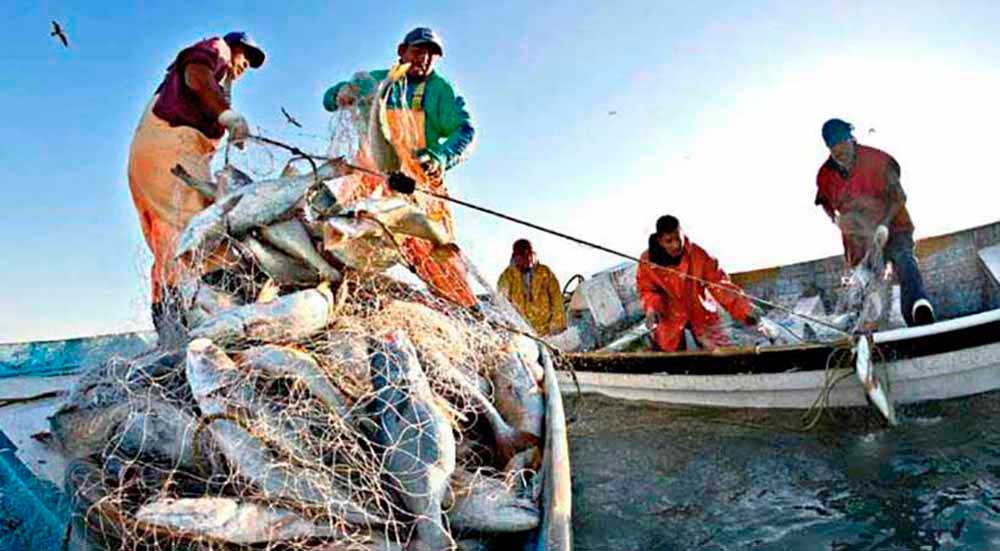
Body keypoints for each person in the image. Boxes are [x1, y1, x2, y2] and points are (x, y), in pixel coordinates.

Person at [322, 27, 478, 307]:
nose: (425, 60)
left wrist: (440, 158)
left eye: (432, 55)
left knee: (438, 252)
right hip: (370, 178)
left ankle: (462, 306)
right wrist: (339, 94)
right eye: (418, 51)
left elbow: (465, 131)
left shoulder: (440, 90)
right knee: (341, 233)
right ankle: (335, 292)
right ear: (401, 51)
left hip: (419, 185)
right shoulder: (377, 81)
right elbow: (328, 99)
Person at [127, 31, 265, 331]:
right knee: (203, 237)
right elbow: (195, 73)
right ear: (235, 47)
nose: (245, 66)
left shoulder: (220, 82)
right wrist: (226, 114)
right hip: (173, 149)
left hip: (148, 157)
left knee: (169, 241)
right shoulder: (218, 49)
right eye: (246, 56)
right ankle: (217, 324)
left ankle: (169, 324)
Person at [814, 118, 935, 326]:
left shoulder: (878, 160)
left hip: (894, 227)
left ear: (851, 139)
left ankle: (918, 307)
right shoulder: (825, 175)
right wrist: (835, 218)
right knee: (864, 281)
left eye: (841, 142)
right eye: (831, 146)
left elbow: (900, 196)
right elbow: (823, 201)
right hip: (859, 239)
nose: (837, 150)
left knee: (904, 260)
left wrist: (884, 225)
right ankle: (862, 327)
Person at [636, 216, 760, 352]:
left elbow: (719, 285)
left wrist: (744, 310)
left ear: (683, 232)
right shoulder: (647, 261)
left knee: (720, 351)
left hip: (698, 310)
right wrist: (652, 309)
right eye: (669, 241)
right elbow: (647, 290)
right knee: (668, 355)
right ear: (660, 241)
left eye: (678, 238)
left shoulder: (699, 255)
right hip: (669, 316)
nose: (676, 245)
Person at [497, 239, 566, 336]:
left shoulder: (545, 272)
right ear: (515, 257)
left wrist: (557, 326)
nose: (527, 259)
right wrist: (510, 328)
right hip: (521, 333)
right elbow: (502, 303)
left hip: (546, 331)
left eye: (529, 255)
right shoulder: (507, 277)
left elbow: (556, 300)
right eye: (522, 257)